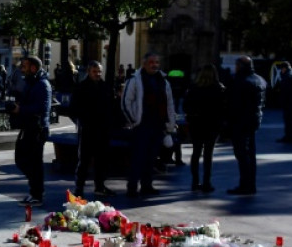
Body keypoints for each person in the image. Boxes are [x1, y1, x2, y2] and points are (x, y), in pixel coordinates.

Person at [121, 52, 176, 198]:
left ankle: (147, 185)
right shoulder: (135, 80)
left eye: (157, 62)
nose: (155, 65)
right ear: (144, 63)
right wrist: (134, 120)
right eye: (152, 62)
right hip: (142, 125)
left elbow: (169, 103)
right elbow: (126, 101)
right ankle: (132, 187)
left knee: (151, 158)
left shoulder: (164, 81)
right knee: (138, 158)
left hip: (158, 125)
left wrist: (170, 123)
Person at [71, 60, 116, 198]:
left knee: (102, 160)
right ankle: (79, 188)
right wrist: (82, 121)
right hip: (88, 129)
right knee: (84, 160)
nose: (97, 74)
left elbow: (111, 106)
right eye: (94, 71)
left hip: (103, 129)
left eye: (99, 71)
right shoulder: (82, 87)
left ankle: (100, 186)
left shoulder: (105, 87)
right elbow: (74, 108)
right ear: (89, 72)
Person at [11, 55, 52, 206]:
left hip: (37, 129)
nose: (22, 69)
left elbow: (42, 108)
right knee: (21, 159)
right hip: (28, 127)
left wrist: (21, 109)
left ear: (33, 68)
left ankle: (37, 193)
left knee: (34, 162)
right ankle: (35, 188)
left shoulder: (42, 84)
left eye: (25, 66)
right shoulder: (31, 82)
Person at [226, 56, 267, 195]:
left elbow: (233, 104)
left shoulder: (240, 81)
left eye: (236, 65)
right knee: (250, 154)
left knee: (242, 154)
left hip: (241, 122)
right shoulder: (260, 80)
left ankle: (246, 185)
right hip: (254, 121)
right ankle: (250, 185)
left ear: (241, 66)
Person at [183, 65, 226, 193]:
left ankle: (195, 181)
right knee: (208, 154)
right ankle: (207, 182)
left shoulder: (193, 88)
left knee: (196, 152)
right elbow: (223, 109)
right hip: (212, 125)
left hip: (196, 125)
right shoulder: (219, 89)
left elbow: (186, 107)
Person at [276, 61, 292, 144]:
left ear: (284, 68)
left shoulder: (287, 76)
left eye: (281, 69)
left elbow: (285, 91)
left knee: (288, 121)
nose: (281, 71)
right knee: (291, 121)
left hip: (289, 103)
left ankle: (288, 137)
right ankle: (290, 136)